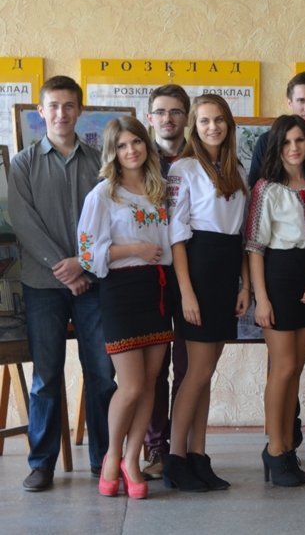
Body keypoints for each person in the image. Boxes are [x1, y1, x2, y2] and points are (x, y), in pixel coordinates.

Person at [9, 76, 117, 492]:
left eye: (69, 105)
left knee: (102, 373)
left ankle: (104, 461)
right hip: (43, 285)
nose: (61, 113)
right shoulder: (23, 164)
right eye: (53, 106)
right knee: (46, 376)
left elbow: (111, 220)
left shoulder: (101, 162)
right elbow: (24, 223)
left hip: (94, 283)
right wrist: (64, 268)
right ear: (41, 111)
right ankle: (41, 464)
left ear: (79, 110)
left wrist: (83, 267)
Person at [78, 117, 177, 499]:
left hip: (157, 289)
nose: (131, 150)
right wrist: (134, 249)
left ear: (146, 146)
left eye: (136, 142)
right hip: (120, 290)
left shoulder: (158, 190)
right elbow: (87, 254)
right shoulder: (103, 194)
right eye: (121, 145)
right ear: (112, 152)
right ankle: (111, 456)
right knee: (131, 384)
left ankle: (132, 459)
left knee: (150, 382)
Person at [246, 71, 305, 470]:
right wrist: (261, 300)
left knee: (297, 367)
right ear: (276, 146)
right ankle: (276, 449)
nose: (294, 147)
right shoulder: (267, 188)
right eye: (286, 142)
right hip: (279, 279)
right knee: (281, 369)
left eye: (300, 140)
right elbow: (255, 247)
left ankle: (287, 449)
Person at [164, 94, 250, 492]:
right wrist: (187, 293)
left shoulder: (237, 169)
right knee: (196, 372)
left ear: (229, 124)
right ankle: (175, 459)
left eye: (218, 120)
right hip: (198, 268)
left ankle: (198, 455)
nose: (212, 127)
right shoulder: (183, 168)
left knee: (207, 372)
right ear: (193, 127)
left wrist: (245, 284)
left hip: (227, 269)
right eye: (204, 121)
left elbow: (242, 235)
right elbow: (176, 236)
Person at [142, 83, 191, 480]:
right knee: (155, 368)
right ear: (150, 118)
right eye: (161, 111)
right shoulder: (137, 159)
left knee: (189, 364)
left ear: (186, 117)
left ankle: (182, 446)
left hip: (194, 274)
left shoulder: (202, 157)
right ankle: (156, 447)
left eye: (176, 111)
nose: (168, 118)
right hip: (151, 275)